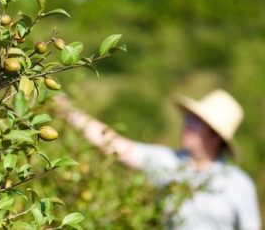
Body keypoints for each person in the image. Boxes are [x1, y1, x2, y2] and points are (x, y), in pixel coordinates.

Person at [53, 89, 261, 230]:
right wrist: (68, 111)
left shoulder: (238, 184)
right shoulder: (169, 162)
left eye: (196, 122)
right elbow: (116, 146)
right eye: (188, 119)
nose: (186, 125)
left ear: (215, 136)